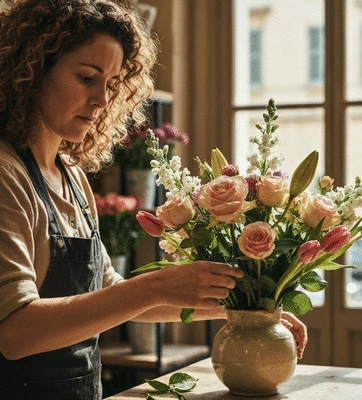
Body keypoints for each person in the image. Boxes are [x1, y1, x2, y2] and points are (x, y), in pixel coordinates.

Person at [0, 0, 307, 398]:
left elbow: (107, 296)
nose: (101, 100)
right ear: (33, 70)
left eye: (110, 85)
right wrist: (155, 286)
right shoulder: (7, 175)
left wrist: (250, 312)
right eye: (87, 77)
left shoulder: (71, 176)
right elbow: (15, 332)